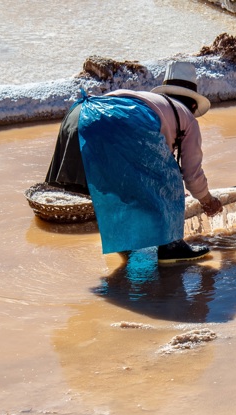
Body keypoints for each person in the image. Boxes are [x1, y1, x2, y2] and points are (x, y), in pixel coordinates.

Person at [45, 61, 223, 263]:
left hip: (78, 115)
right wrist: (208, 201)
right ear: (192, 105)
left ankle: (125, 243)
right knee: (170, 177)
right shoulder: (186, 116)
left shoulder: (150, 102)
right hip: (118, 123)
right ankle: (171, 247)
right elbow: (191, 175)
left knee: (118, 183)